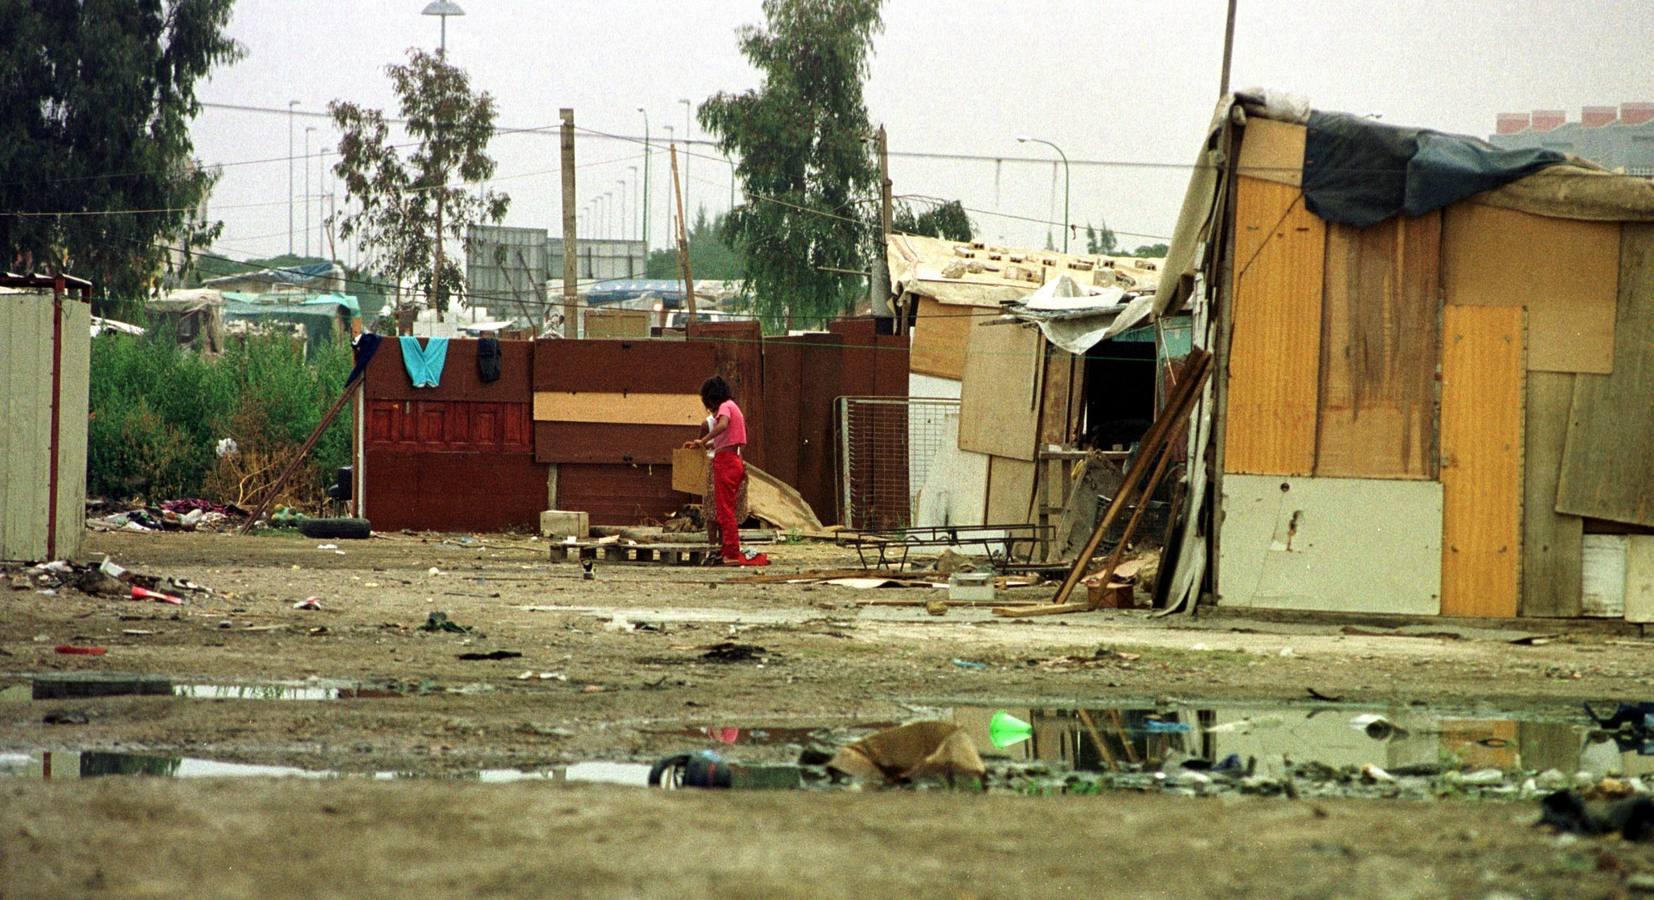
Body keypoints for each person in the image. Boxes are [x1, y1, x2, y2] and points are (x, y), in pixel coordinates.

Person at [684, 376, 769, 567]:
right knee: (727, 508)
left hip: (726, 462)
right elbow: (726, 438)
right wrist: (702, 445)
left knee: (724, 510)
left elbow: (721, 425)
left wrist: (703, 440)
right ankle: (729, 549)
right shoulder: (734, 407)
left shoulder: (724, 407)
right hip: (734, 459)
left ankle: (730, 552)